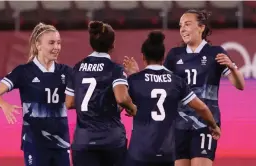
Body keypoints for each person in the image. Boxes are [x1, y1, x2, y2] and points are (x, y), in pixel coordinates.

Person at [123, 10, 245, 166]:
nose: (182, 29)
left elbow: (240, 85)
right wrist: (136, 75)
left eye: (187, 24)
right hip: (177, 124)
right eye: (181, 25)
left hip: (204, 123)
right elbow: (160, 82)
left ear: (201, 27)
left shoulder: (216, 53)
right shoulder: (175, 55)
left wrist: (232, 67)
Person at [124, 31, 221, 166]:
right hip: (167, 152)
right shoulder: (177, 82)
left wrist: (133, 75)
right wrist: (213, 125)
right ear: (163, 57)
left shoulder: (135, 81)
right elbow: (201, 107)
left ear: (143, 56)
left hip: (140, 152)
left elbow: (124, 102)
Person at [0, 23, 72, 166]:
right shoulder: (23, 72)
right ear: (38, 45)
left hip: (61, 143)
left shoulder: (66, 71)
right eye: (51, 43)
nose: (57, 47)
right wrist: (4, 105)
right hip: (34, 143)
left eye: (59, 43)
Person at [65, 21, 137, 166]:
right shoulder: (114, 69)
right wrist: (132, 108)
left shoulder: (78, 68)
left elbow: (70, 102)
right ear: (112, 45)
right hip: (111, 140)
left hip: (84, 140)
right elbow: (122, 98)